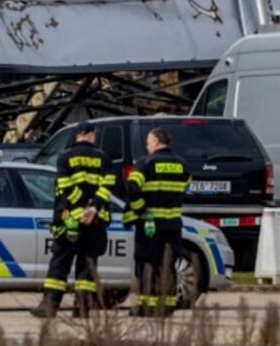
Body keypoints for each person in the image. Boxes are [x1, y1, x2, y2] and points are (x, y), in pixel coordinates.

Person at [30, 122, 114, 319]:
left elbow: (65, 186)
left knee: (60, 264)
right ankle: (82, 309)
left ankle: (49, 306)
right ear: (88, 135)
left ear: (77, 135)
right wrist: (92, 207)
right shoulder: (104, 158)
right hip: (94, 221)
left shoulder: (65, 157)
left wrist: (80, 208)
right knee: (88, 266)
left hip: (70, 220)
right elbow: (107, 187)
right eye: (94, 134)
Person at [125, 127, 190, 317]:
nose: (147, 146)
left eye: (148, 142)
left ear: (155, 141)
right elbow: (186, 187)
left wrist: (140, 209)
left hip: (150, 224)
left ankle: (145, 306)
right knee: (168, 265)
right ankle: (167, 306)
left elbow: (132, 187)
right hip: (173, 225)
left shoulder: (145, 163)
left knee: (147, 264)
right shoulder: (183, 165)